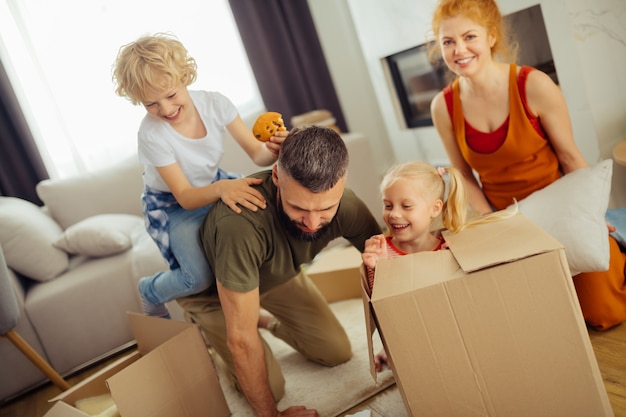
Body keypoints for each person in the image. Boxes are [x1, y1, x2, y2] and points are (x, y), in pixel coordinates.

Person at [429, 0, 626, 331]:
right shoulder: (443, 106)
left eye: (469, 37)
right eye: (448, 41)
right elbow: (463, 174)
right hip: (509, 220)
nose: (459, 50)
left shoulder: (533, 85)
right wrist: (492, 226)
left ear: (491, 37)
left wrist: (592, 215)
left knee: (603, 314)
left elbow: (569, 156)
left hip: (563, 210)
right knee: (537, 321)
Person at [176, 126, 382, 417]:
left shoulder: (348, 205)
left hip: (276, 274)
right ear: (276, 177)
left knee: (336, 351)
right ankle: (212, 330)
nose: (312, 224)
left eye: (325, 210)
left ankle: (262, 318)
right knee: (270, 389)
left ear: (342, 183)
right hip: (213, 292)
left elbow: (389, 272)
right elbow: (242, 340)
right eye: (298, 208)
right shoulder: (239, 226)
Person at [112, 33, 286, 318]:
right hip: (173, 206)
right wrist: (222, 189)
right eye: (151, 104)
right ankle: (151, 290)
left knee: (264, 219)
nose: (165, 109)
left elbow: (258, 154)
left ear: (185, 76)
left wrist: (276, 148)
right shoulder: (151, 134)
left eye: (170, 95)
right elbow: (185, 196)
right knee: (197, 277)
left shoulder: (216, 105)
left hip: (213, 183)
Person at [362, 161, 515, 371]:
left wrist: (451, 264)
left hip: (451, 337)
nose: (394, 214)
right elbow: (385, 309)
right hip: (410, 342)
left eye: (406, 206)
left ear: (434, 209)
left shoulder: (448, 248)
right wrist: (378, 268)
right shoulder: (382, 251)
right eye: (388, 205)